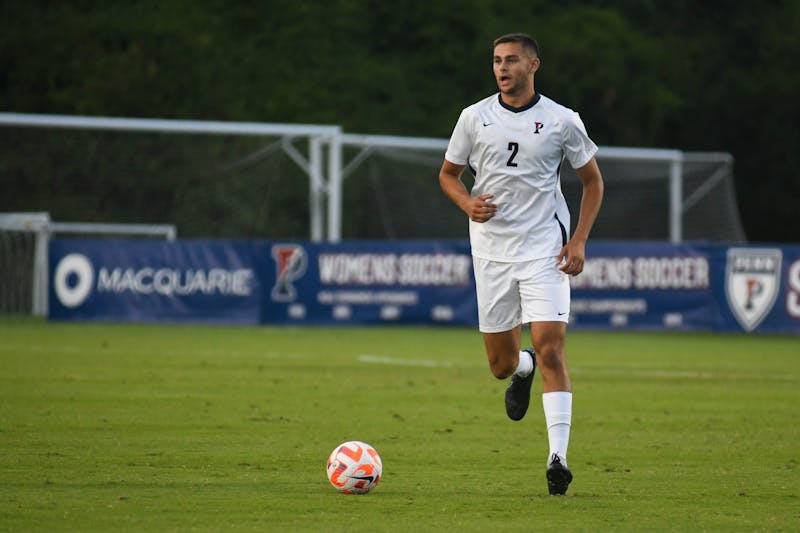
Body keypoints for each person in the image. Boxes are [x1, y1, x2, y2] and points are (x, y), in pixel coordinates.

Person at [438, 32, 604, 496]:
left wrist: (579, 240)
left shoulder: (562, 121)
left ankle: (558, 459)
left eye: (511, 60)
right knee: (500, 365)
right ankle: (521, 369)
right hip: (492, 252)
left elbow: (593, 183)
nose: (502, 68)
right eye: (496, 61)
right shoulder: (474, 117)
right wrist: (466, 203)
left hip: (544, 250)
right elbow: (448, 176)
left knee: (552, 347)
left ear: (533, 65)